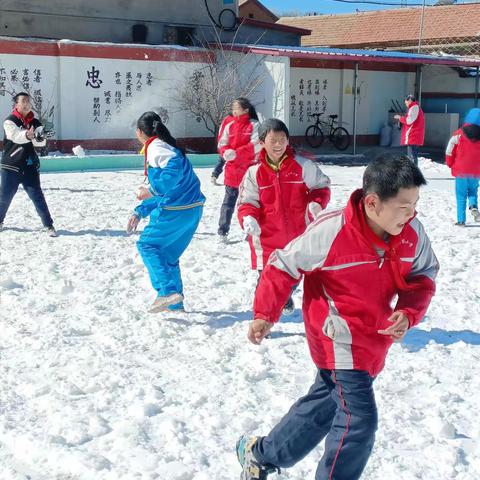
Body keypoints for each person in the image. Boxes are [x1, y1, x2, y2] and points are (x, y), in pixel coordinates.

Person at [236, 153, 439, 480]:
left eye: (414, 204)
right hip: (337, 338)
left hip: (373, 338)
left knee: (325, 405)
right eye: (403, 207)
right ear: (373, 203)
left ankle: (261, 454)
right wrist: (265, 313)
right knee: (358, 421)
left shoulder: (411, 232)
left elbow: (424, 275)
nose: (411, 214)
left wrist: (408, 310)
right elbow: (282, 264)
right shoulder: (332, 232)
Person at [238, 118, 331, 315]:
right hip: (267, 240)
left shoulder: (303, 166)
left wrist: (316, 202)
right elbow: (247, 201)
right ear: (262, 142)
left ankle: (285, 296)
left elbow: (321, 186)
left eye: (283, 139)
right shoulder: (254, 173)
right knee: (267, 283)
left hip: (298, 238)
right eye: (273, 140)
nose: (279, 144)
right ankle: (263, 320)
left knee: (292, 277)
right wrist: (249, 218)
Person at [127, 111, 205, 313]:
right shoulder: (165, 145)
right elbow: (168, 185)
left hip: (176, 209)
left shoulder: (155, 147)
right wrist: (140, 211)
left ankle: (167, 292)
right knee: (168, 256)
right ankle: (175, 304)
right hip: (193, 209)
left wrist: (151, 190)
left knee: (147, 245)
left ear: (139, 132)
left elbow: (173, 170)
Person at [0, 92, 56, 236]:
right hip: (10, 166)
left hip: (29, 166)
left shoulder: (35, 122)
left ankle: (49, 225)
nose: (26, 104)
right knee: (5, 197)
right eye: (23, 101)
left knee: (37, 195)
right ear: (16, 104)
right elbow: (15, 137)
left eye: (28, 101)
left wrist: (40, 137)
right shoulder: (9, 121)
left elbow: (40, 143)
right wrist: (27, 135)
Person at [215, 97, 261, 240]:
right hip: (232, 171)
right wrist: (225, 152)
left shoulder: (255, 125)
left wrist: (236, 153)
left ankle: (250, 230)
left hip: (248, 172)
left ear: (246, 109)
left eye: (237, 108)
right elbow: (222, 143)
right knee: (228, 203)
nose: (234, 111)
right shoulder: (230, 125)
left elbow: (256, 144)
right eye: (233, 108)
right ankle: (223, 230)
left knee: (250, 203)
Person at [445, 107, 480, 226]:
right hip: (476, 171)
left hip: (461, 170)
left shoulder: (458, 134)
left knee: (461, 194)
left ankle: (461, 220)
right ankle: (473, 205)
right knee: (473, 190)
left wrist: (449, 163)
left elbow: (450, 150)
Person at [394, 94, 425, 166]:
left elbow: (409, 120)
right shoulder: (414, 108)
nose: (405, 104)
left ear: (410, 100)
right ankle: (414, 172)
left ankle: (413, 173)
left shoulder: (414, 107)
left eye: (406, 102)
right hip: (414, 135)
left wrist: (400, 118)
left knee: (412, 157)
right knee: (413, 156)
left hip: (413, 135)